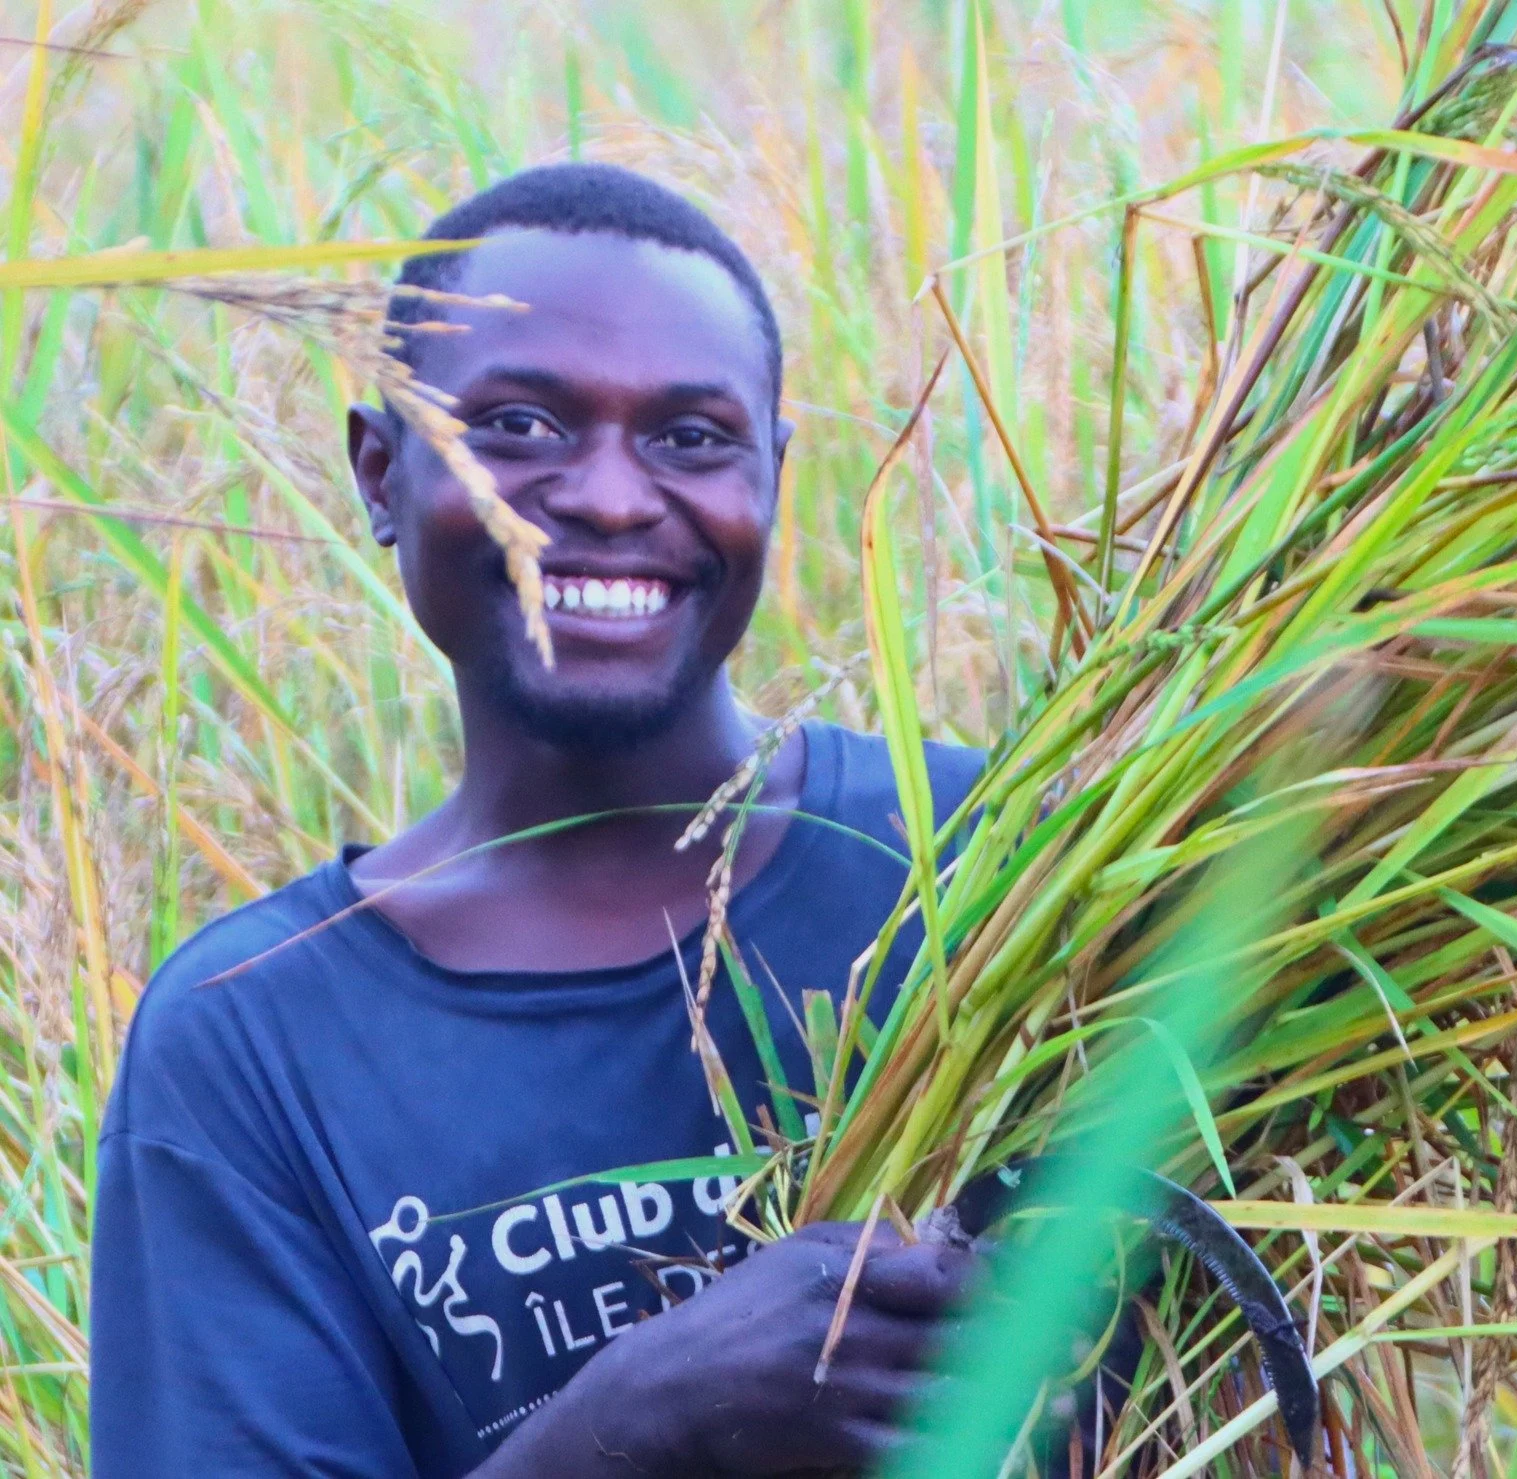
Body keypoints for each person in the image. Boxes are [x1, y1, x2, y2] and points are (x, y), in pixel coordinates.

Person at [89, 162, 985, 1478]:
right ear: (382, 474)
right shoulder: (249, 1039)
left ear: (775, 479)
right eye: (514, 426)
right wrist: (641, 1417)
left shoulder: (970, 855)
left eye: (691, 437)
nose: (614, 498)